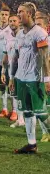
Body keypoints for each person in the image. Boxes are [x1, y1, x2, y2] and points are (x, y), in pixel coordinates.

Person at [10, 2, 50, 154]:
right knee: (27, 112)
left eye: (21, 12)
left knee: (41, 113)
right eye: (18, 11)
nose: (18, 14)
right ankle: (31, 144)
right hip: (21, 79)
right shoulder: (19, 34)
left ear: (29, 14)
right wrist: (12, 77)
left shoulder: (39, 33)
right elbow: (15, 57)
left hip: (35, 80)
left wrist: (47, 80)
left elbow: (45, 58)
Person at [1, 15, 25, 126]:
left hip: (25, 70)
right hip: (12, 69)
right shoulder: (8, 36)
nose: (12, 23)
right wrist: (3, 71)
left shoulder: (24, 35)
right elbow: (6, 55)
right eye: (10, 21)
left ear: (19, 22)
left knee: (25, 95)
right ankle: (20, 119)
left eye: (14, 21)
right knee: (15, 94)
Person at [35, 14, 50, 142]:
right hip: (39, 78)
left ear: (46, 26)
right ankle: (45, 133)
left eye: (39, 25)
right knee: (40, 107)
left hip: (47, 78)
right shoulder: (34, 40)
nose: (36, 27)